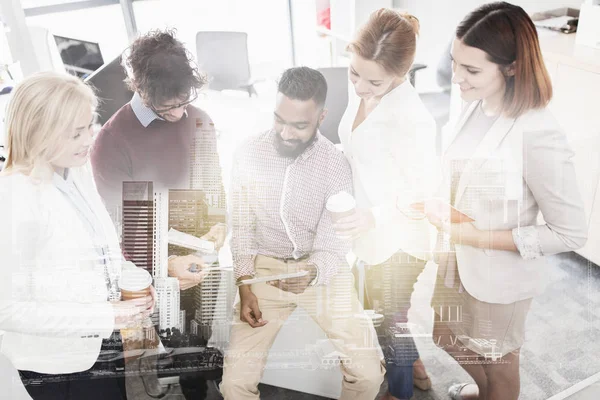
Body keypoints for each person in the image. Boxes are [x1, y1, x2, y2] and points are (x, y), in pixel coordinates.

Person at [427, 3, 588, 399]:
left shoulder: (537, 133)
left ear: (512, 68)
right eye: (455, 62)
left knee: (499, 366)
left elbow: (570, 233)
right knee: (445, 336)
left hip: (498, 276)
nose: (456, 77)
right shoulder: (472, 104)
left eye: (472, 70)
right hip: (455, 258)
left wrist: (477, 237)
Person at [221, 67, 385, 399]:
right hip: (263, 272)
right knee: (234, 385)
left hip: (322, 270)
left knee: (368, 376)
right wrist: (245, 286)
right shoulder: (247, 153)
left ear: (321, 116)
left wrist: (310, 271)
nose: (285, 133)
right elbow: (241, 228)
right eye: (279, 120)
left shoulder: (336, 165)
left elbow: (334, 242)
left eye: (299, 125)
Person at [90, 29, 227, 398]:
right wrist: (167, 264)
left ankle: (194, 373)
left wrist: (217, 229)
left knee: (198, 336)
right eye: (169, 107)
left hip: (200, 255)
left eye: (186, 100)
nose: (181, 113)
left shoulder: (198, 119)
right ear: (142, 91)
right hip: (152, 264)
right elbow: (124, 230)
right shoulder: (111, 143)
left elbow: (214, 188)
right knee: (179, 342)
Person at [0, 72, 154, 400]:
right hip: (59, 368)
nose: (88, 140)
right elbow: (7, 309)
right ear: (37, 133)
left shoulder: (74, 172)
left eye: (89, 126)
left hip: (99, 344)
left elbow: (99, 249)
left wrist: (133, 279)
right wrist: (106, 315)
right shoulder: (13, 197)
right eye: (75, 134)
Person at [335, 8, 438, 400]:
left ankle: (399, 392)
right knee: (369, 304)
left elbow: (424, 190)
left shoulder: (413, 120)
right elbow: (356, 146)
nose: (360, 87)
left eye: (373, 81)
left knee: (387, 319)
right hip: (364, 230)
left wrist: (374, 215)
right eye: (353, 73)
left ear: (402, 73)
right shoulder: (366, 81)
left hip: (399, 239)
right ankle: (415, 366)